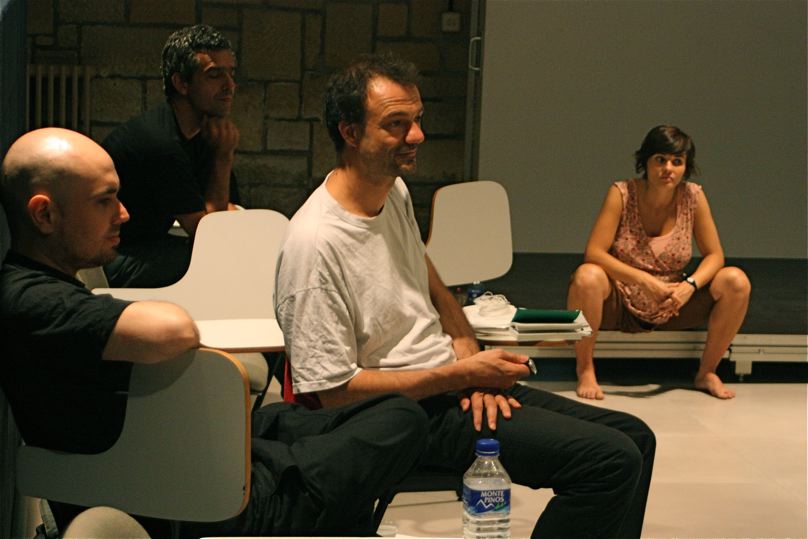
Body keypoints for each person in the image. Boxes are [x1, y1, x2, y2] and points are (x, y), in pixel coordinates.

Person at [275, 52, 656, 539]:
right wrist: (459, 376)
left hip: (448, 385)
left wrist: (467, 355)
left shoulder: (391, 192)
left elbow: (430, 279)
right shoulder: (314, 244)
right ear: (349, 132)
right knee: (609, 460)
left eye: (417, 120)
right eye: (396, 124)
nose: (417, 136)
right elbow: (332, 395)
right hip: (399, 417)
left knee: (636, 438)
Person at [0, 128, 427, 537]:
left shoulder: (46, 287)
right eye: (103, 201)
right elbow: (171, 329)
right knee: (400, 422)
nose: (123, 214)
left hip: (179, 457)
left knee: (379, 412)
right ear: (44, 214)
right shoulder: (29, 300)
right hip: (190, 500)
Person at [567, 125, 751, 400]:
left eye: (677, 162)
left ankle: (707, 372)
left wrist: (689, 286)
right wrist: (643, 280)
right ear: (646, 162)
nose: (668, 169)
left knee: (736, 280)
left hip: (672, 303)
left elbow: (715, 255)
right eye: (660, 160)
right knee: (587, 276)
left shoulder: (693, 197)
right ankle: (585, 369)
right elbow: (594, 252)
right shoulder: (622, 193)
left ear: (686, 167)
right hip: (621, 301)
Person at [101, 24, 242, 287]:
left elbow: (226, 208)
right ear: (181, 83)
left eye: (231, 73)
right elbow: (210, 234)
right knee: (225, 261)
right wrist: (223, 157)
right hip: (112, 259)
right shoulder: (160, 143)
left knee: (238, 253)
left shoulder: (200, 133)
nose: (230, 85)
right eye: (215, 75)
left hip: (148, 245)